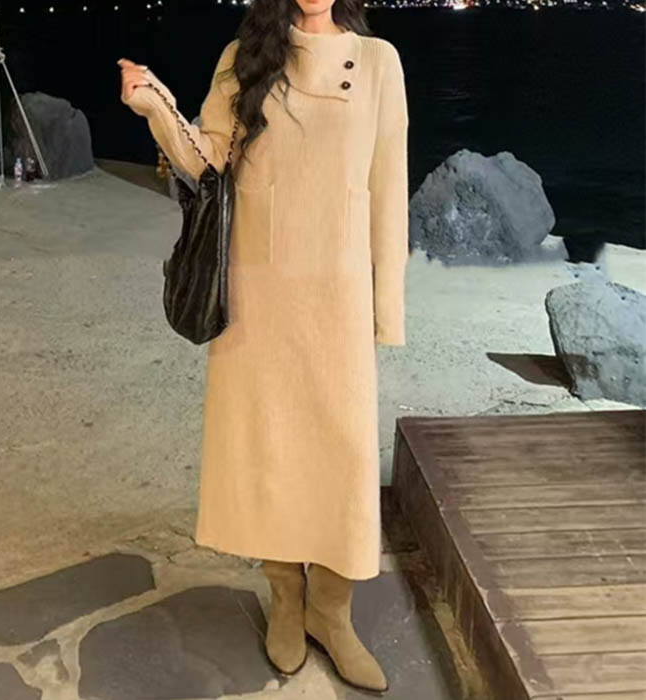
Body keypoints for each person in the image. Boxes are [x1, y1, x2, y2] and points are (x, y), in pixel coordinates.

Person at [118, 0, 409, 694]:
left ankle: (331, 614)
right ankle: (285, 598)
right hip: (259, 290)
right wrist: (155, 103)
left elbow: (388, 186)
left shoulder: (378, 62)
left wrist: (386, 304)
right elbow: (207, 159)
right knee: (270, 449)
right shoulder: (244, 57)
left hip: (338, 294)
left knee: (341, 454)